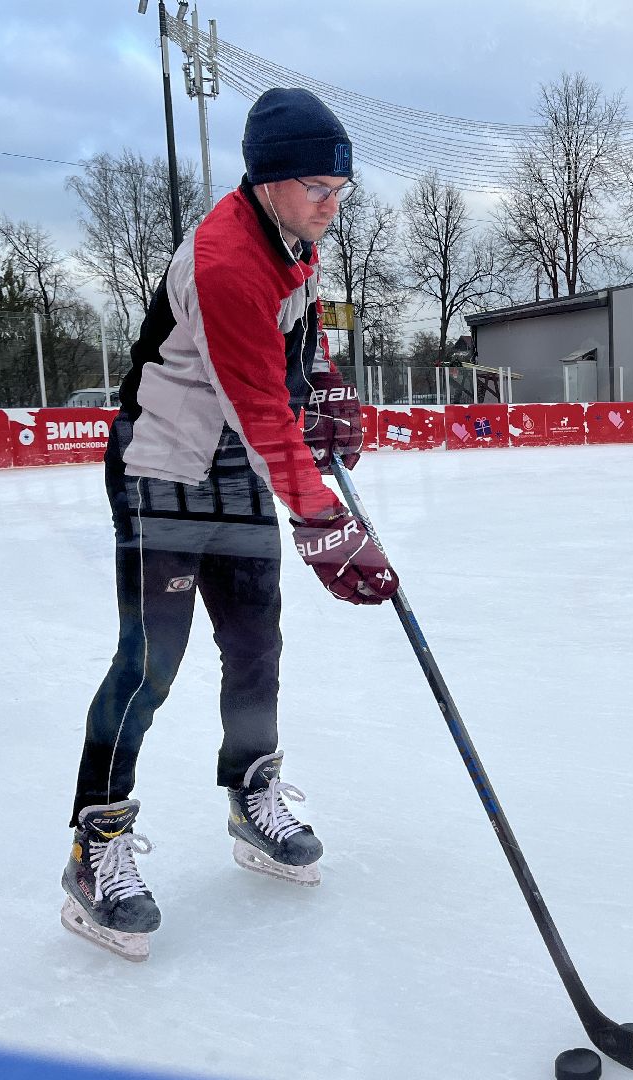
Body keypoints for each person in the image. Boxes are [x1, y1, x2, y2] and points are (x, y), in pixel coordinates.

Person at [60, 88, 399, 962]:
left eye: (340, 191)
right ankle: (94, 847)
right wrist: (327, 524)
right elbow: (257, 410)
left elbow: (297, 336)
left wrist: (322, 388)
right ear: (269, 180)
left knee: (256, 646)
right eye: (320, 187)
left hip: (238, 472)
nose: (332, 205)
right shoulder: (223, 261)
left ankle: (252, 789)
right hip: (163, 471)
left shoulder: (296, 242)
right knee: (150, 665)